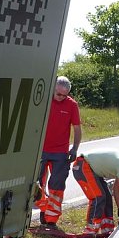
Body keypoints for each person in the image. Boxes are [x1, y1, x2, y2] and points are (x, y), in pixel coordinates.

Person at [36, 76, 81, 227]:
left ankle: (51, 220)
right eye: (58, 94)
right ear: (52, 89)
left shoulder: (72, 105)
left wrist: (74, 148)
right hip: (40, 150)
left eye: (64, 95)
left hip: (61, 153)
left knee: (57, 186)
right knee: (37, 184)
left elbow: (77, 128)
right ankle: (43, 209)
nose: (61, 97)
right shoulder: (43, 100)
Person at [71, 149, 119, 237]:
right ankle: (90, 229)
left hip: (92, 170)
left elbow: (116, 188)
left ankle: (107, 229)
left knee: (107, 197)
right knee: (98, 197)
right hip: (82, 165)